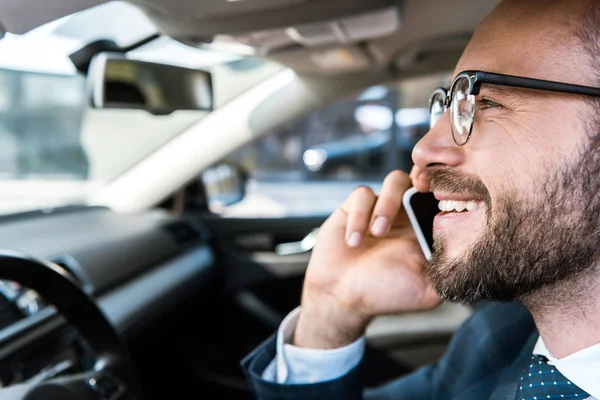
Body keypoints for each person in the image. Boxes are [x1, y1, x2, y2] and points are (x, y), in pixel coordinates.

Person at [241, 0, 600, 398]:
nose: (423, 150)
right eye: (450, 104)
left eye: (488, 103)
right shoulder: (497, 340)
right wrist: (330, 314)